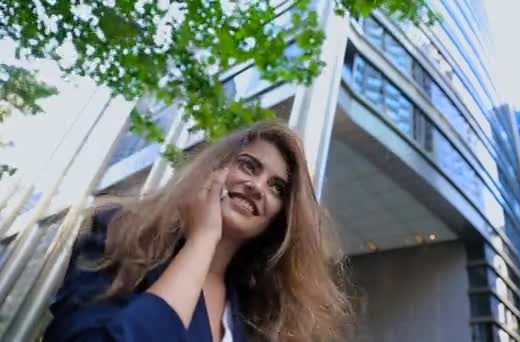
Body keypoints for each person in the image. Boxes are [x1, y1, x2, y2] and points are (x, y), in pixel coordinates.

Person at [44, 120, 354, 342]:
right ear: (213, 168)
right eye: (249, 166)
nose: (258, 186)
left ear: (279, 219)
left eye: (276, 188)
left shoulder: (260, 310)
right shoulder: (119, 232)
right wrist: (203, 239)